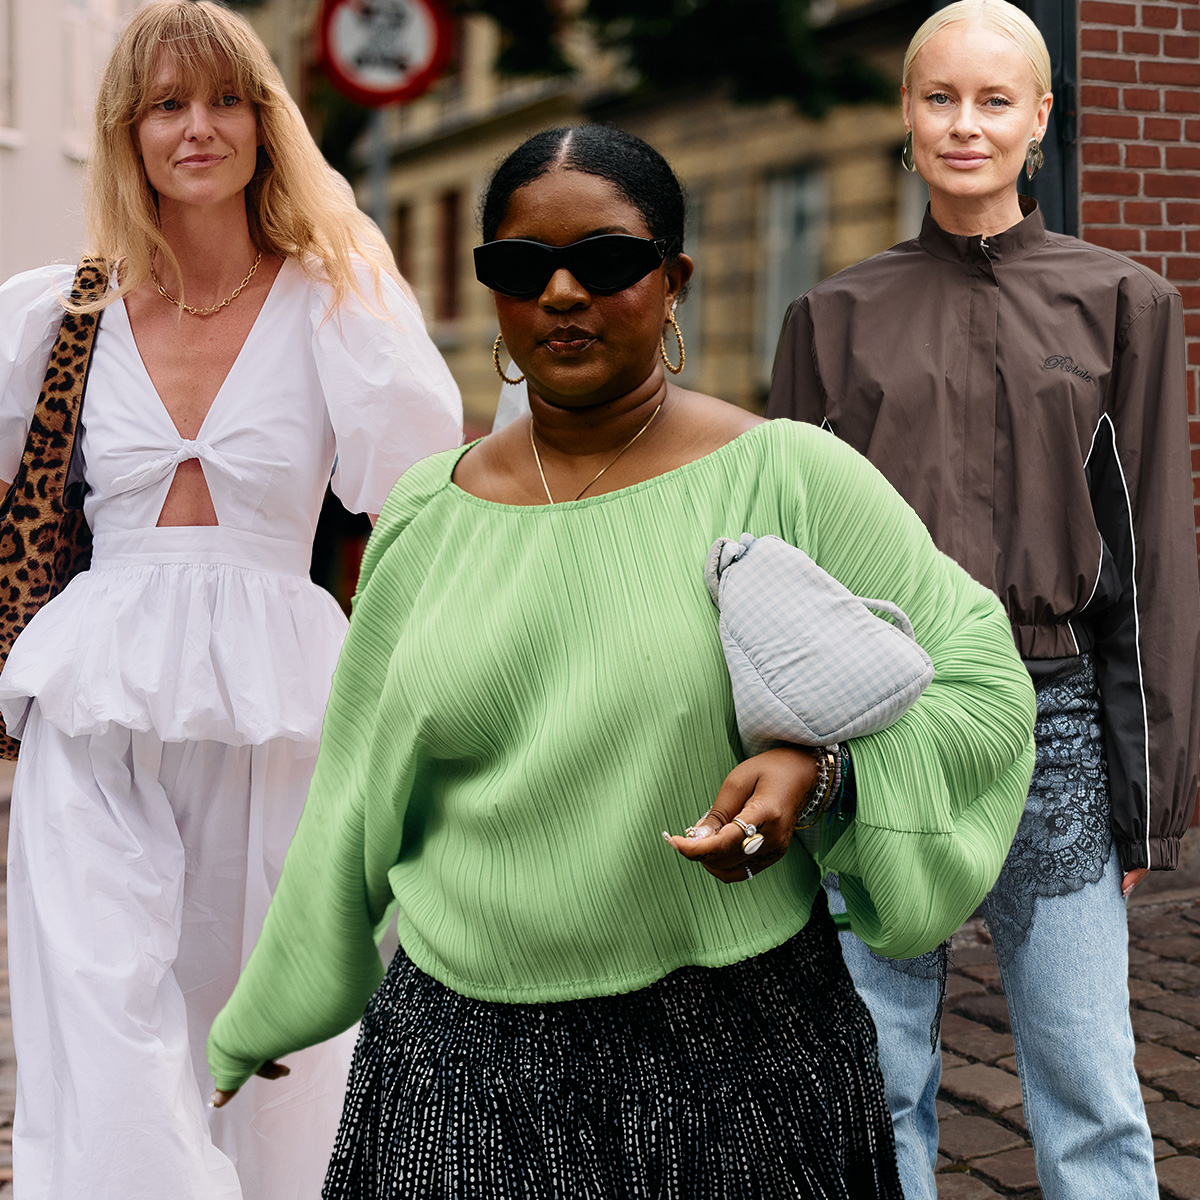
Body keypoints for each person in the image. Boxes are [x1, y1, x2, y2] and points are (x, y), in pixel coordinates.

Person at [206, 124, 1036, 1199]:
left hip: (739, 1063)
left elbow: (983, 685)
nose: (560, 293)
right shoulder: (424, 513)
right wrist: (272, 1005)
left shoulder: (788, 476)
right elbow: (356, 789)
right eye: (520, 267)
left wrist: (823, 772)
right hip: (459, 1069)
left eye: (604, 261)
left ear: (673, 280)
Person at [0, 3, 461, 1197]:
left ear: (266, 123)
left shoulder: (334, 300)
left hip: (284, 706)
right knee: (101, 1013)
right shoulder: (60, 313)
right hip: (95, 700)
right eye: (166, 105)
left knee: (281, 1040)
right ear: (128, 132)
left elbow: (412, 486)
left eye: (224, 101)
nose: (197, 128)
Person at [766, 2, 1200, 1197]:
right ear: (906, 116)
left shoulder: (1124, 304)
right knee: (875, 1077)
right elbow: (783, 572)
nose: (967, 124)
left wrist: (1147, 799)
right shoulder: (830, 319)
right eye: (941, 98)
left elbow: (1152, 561)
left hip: (1053, 725)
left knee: (1089, 1085)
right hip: (877, 730)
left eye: (995, 100)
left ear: (1039, 118)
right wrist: (790, 763)